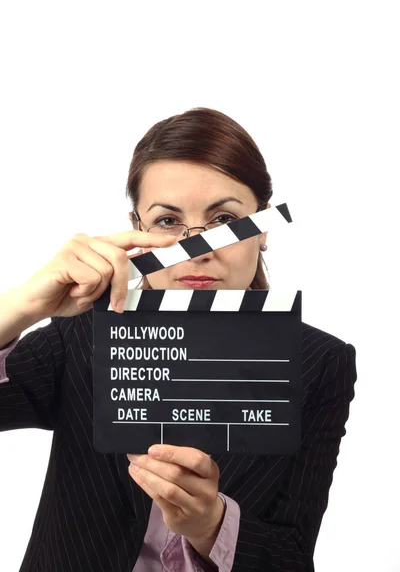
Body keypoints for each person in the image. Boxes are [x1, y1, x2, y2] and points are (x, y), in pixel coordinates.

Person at [0, 107, 357, 572]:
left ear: (263, 227)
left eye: (225, 219)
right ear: (139, 229)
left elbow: (289, 556)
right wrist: (19, 306)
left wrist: (211, 524)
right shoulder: (86, 331)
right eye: (168, 221)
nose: (200, 249)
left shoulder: (319, 363)